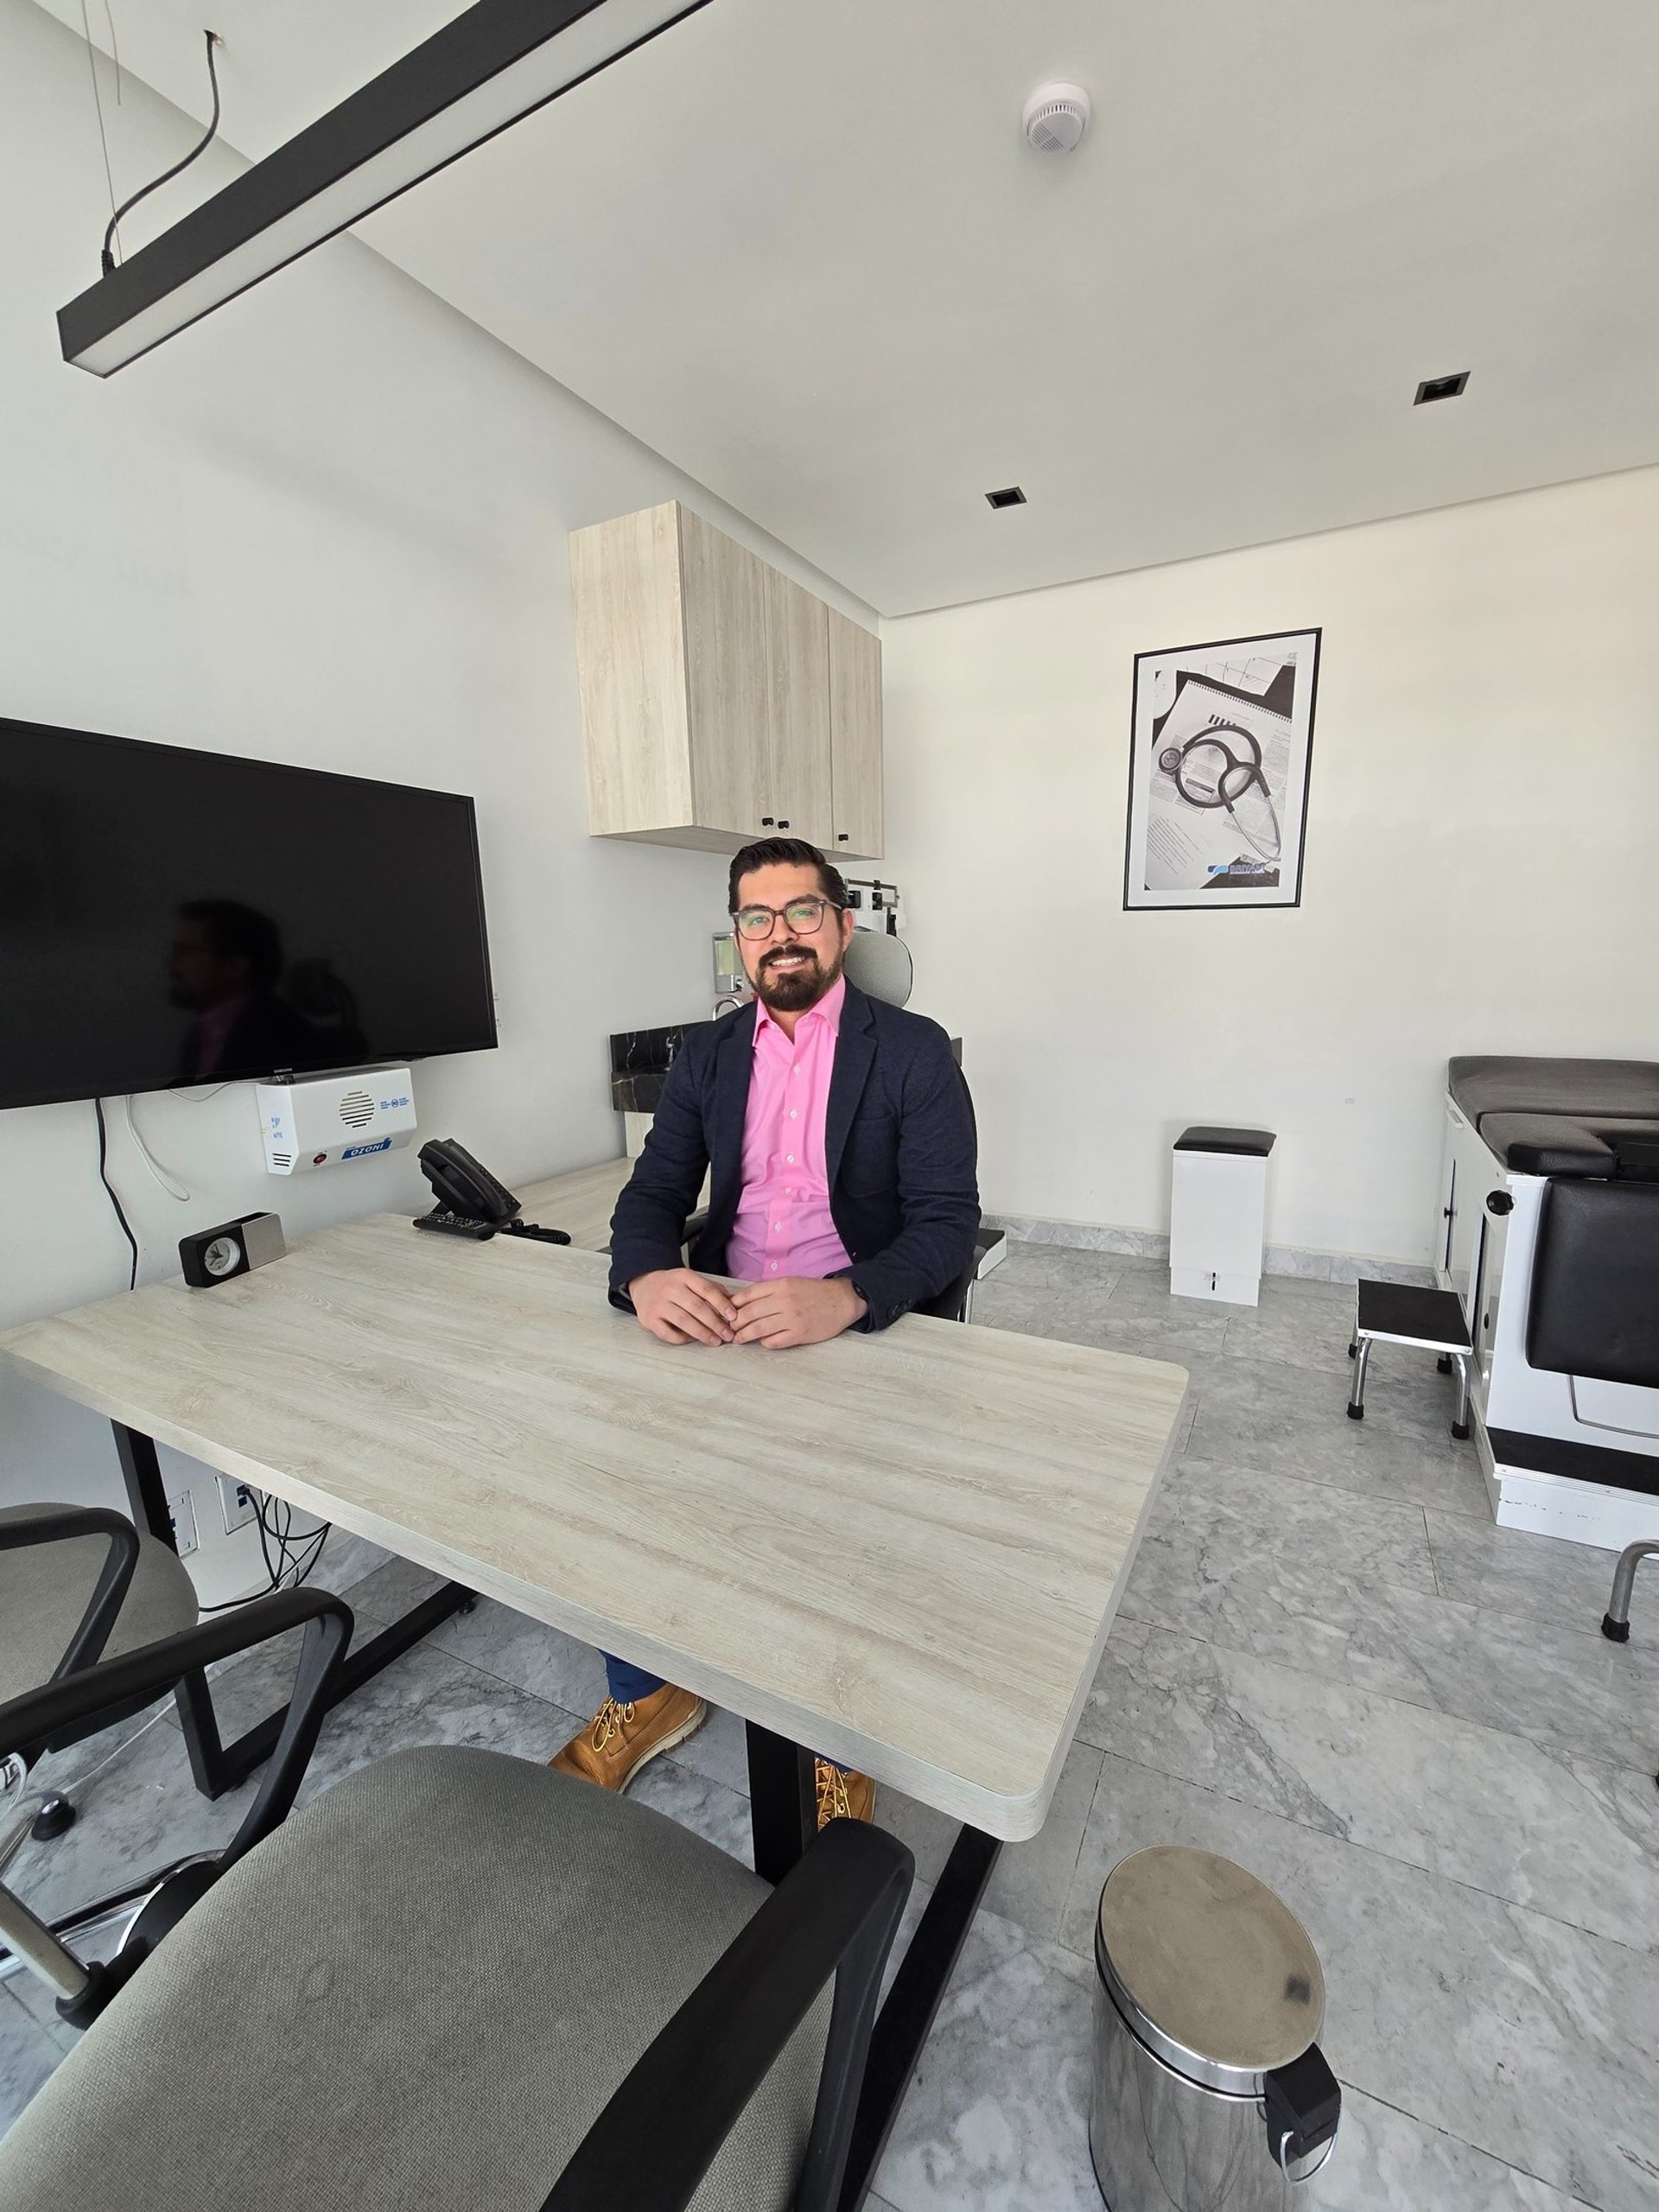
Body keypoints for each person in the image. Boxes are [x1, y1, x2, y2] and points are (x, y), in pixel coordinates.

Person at [550, 836, 980, 1826]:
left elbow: (948, 1222)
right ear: (737, 937)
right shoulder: (707, 1053)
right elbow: (654, 1191)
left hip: (846, 1328)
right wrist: (648, 1273)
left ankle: (836, 1732)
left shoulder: (912, 1051)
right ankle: (648, 1690)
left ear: (842, 925)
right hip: (726, 1321)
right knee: (629, 1484)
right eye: (757, 917)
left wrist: (851, 1295)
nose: (779, 935)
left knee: (833, 1532)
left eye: (801, 912)